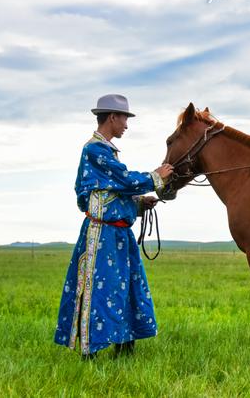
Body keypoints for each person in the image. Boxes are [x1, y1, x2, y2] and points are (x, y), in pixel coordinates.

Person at [54, 94, 174, 359]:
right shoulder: (94, 151)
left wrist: (138, 205)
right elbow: (123, 180)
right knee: (101, 290)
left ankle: (125, 347)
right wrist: (156, 176)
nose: (126, 126)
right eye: (124, 119)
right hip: (102, 236)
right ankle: (91, 351)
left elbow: (111, 191)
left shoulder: (107, 152)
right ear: (112, 117)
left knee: (128, 288)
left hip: (120, 235)